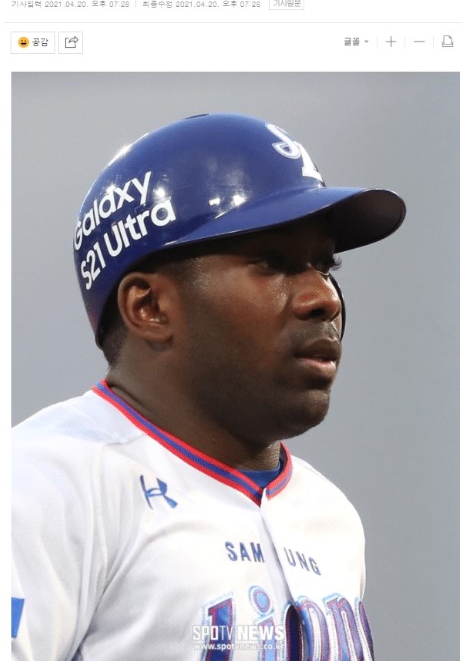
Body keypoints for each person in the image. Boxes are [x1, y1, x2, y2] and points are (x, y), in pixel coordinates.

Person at [12, 113, 406, 661]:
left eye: (324, 264)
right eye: (273, 263)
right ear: (150, 306)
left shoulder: (329, 516)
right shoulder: (43, 486)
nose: (325, 298)